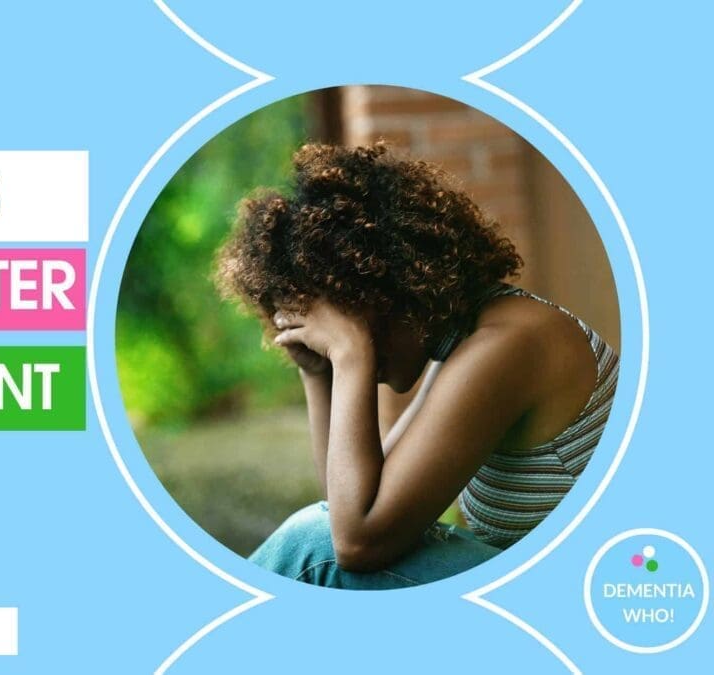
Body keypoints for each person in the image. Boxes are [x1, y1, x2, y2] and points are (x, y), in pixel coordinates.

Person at [215, 142, 618, 589]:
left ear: (387, 289)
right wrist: (318, 370)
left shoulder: (507, 345)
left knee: (308, 548)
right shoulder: (463, 348)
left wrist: (351, 355)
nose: (339, 343)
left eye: (345, 324)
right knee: (316, 538)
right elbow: (345, 507)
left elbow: (354, 543)